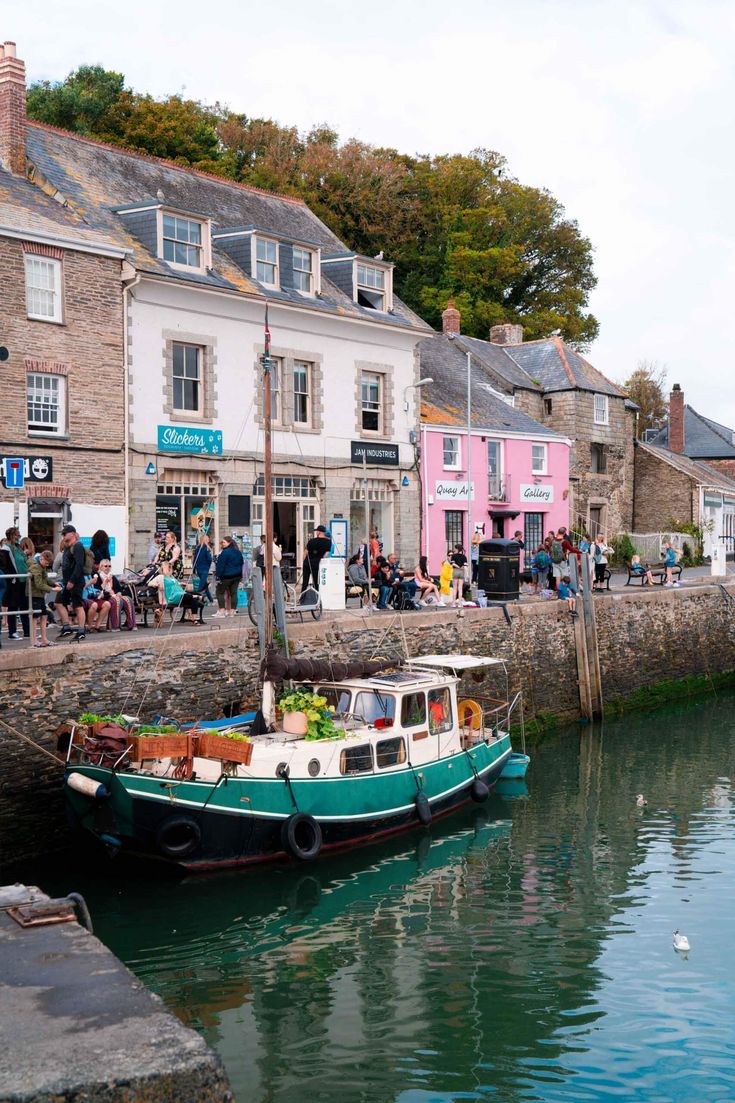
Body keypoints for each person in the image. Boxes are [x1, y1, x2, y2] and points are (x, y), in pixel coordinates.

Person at [56, 524, 87, 640]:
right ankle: (66, 627)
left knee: (77, 606)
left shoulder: (78, 546)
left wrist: (72, 581)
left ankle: (81, 630)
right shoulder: (68, 546)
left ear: (73, 534)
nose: (63, 536)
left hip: (76, 582)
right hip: (66, 582)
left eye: (65, 533)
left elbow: (79, 565)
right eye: (62, 534)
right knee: (59, 603)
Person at [2, 527, 31, 640]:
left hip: (23, 580)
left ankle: (27, 631)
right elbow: (5, 565)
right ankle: (12, 632)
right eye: (16, 535)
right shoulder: (6, 548)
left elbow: (23, 561)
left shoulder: (17, 547)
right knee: (13, 607)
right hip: (15, 581)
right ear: (11, 535)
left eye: (19, 535)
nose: (18, 537)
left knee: (25, 606)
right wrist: (12, 578)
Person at [28, 550, 61, 646]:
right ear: (41, 558)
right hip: (34, 595)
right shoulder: (35, 567)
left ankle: (44, 639)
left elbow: (45, 578)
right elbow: (39, 584)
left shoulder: (42, 567)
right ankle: (34, 640)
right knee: (35, 617)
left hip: (40, 595)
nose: (47, 565)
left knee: (44, 615)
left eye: (48, 564)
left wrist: (54, 583)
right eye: (46, 563)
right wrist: (53, 589)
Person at [213, 535, 244, 617]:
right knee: (233, 593)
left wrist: (218, 576)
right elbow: (241, 563)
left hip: (226, 576)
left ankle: (222, 611)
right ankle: (232, 611)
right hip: (237, 576)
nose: (222, 544)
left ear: (229, 543)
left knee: (219, 592)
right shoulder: (238, 552)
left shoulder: (224, 552)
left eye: (224, 542)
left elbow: (220, 566)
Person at [302, 524, 331, 592]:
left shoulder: (311, 541)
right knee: (316, 583)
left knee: (305, 583)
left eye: (316, 531)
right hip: (317, 564)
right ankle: (317, 598)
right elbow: (325, 555)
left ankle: (302, 598)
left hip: (307, 563)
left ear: (319, 532)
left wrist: (304, 561)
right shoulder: (328, 542)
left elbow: (305, 552)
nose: (316, 532)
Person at [192, 532, 213, 601]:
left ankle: (210, 599)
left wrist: (194, 569)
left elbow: (194, 559)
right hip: (205, 569)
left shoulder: (197, 548)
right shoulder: (207, 548)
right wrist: (209, 565)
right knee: (201, 587)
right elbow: (209, 559)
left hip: (198, 569)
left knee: (204, 585)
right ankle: (196, 597)